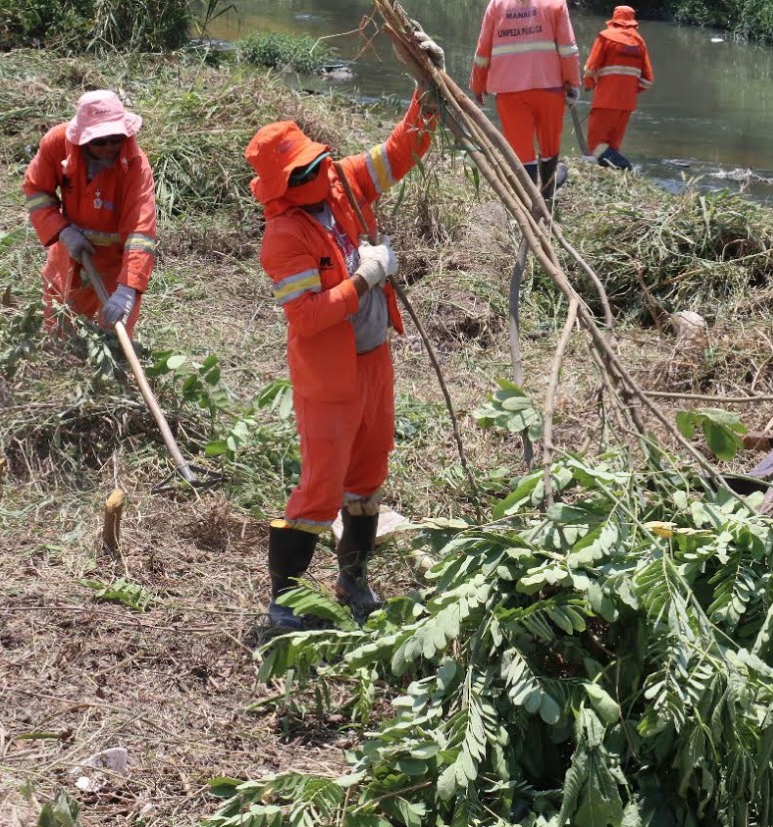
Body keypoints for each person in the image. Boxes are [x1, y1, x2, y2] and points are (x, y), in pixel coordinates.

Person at [245, 32, 444, 631]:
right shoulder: (283, 237)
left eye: (314, 161)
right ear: (283, 185)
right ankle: (284, 601)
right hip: (328, 375)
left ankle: (352, 579)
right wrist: (364, 278)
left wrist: (428, 91)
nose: (316, 172)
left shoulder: (342, 185)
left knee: (368, 471)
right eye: (302, 170)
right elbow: (306, 317)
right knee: (321, 486)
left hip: (373, 357)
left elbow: (399, 152)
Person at [23, 90, 156, 334]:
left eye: (116, 139)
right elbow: (37, 190)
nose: (110, 148)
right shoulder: (57, 143)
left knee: (115, 330)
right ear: (83, 139)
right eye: (100, 142)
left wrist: (127, 289)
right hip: (72, 249)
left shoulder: (135, 165)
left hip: (117, 259)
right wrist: (62, 232)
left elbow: (141, 232)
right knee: (61, 323)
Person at [470, 0, 580, 202]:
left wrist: (478, 84)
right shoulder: (556, 4)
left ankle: (528, 198)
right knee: (550, 145)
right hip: (550, 88)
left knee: (520, 148)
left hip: (509, 91)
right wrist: (573, 83)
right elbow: (568, 50)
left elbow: (483, 51)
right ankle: (547, 190)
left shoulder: (497, 5)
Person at [582, 5, 652, 170]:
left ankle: (625, 166)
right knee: (613, 145)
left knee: (595, 144)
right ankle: (615, 172)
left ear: (615, 19)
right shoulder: (640, 42)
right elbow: (648, 80)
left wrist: (589, 85)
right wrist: (629, 90)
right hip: (627, 103)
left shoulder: (605, 37)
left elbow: (590, 69)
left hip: (605, 100)